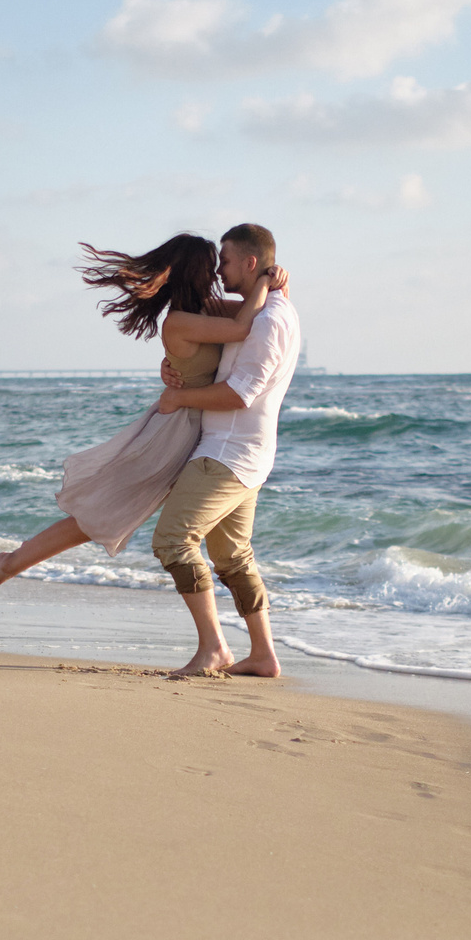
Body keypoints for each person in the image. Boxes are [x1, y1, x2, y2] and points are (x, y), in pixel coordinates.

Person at [0, 234, 276, 598]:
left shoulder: (205, 310)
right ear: (194, 272)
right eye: (210, 266)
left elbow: (252, 315)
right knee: (104, 513)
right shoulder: (179, 320)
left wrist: (272, 287)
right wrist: (265, 280)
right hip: (172, 432)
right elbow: (243, 326)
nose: (215, 272)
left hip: (197, 430)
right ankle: (10, 562)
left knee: (110, 515)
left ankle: (13, 560)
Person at [149, 223, 301, 678]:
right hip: (242, 453)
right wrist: (174, 366)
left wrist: (179, 398)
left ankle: (214, 649)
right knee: (233, 557)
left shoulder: (270, 321)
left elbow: (239, 394)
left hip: (228, 454)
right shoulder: (266, 311)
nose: (220, 269)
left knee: (173, 541)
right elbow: (215, 330)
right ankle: (263, 656)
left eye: (227, 260)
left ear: (250, 263)